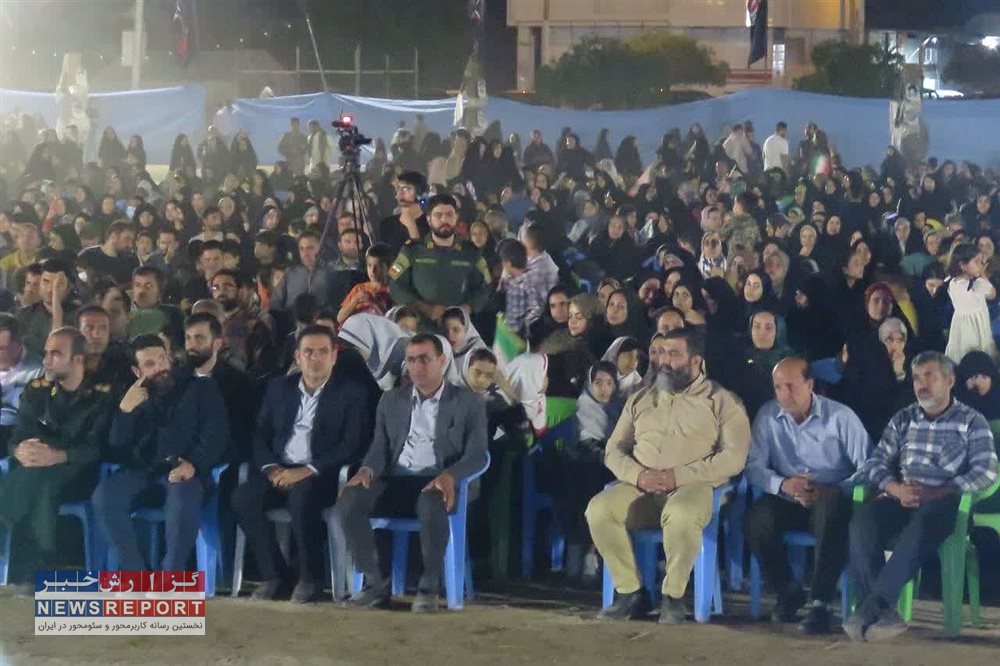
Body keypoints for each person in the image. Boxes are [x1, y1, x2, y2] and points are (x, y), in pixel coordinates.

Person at [586, 327, 750, 623]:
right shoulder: (640, 399)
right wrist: (638, 476)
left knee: (682, 514)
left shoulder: (723, 401)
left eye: (674, 354)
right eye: (661, 353)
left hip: (692, 487)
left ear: (696, 361)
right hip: (641, 487)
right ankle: (631, 592)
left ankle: (672, 597)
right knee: (598, 509)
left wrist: (679, 476)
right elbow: (613, 450)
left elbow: (734, 458)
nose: (664, 361)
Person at [844, 351, 999, 641]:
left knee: (926, 521)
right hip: (902, 497)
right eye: (916, 378)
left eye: (929, 376)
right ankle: (882, 611)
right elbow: (875, 462)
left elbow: (986, 471)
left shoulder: (971, 421)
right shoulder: (903, 419)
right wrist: (894, 488)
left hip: (945, 502)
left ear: (950, 380)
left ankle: (873, 606)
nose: (921, 384)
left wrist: (939, 491)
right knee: (864, 520)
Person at [337, 333, 488, 612]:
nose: (417, 366)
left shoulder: (468, 402)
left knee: (432, 501)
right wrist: (367, 470)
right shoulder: (391, 400)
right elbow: (380, 448)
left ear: (442, 361)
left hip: (439, 479)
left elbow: (478, 454)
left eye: (424, 359)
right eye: (411, 360)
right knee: (350, 500)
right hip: (397, 478)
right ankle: (374, 582)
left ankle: (429, 587)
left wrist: (450, 475)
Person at [232, 325, 376, 603]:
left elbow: (352, 444)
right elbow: (259, 434)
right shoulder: (279, 388)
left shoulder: (351, 392)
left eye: (323, 352)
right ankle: (275, 575)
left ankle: (310, 579)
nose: (315, 358)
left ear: (334, 356)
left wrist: (307, 470)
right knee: (242, 498)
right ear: (297, 357)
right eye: (308, 352)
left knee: (302, 499)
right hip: (279, 469)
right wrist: (270, 468)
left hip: (322, 474)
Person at [744, 358, 870, 634]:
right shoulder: (768, 416)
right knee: (756, 519)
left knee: (831, 513)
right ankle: (787, 591)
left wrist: (835, 488)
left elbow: (869, 468)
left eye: (791, 386)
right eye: (778, 387)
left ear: (810, 385)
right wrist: (784, 485)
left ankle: (820, 604)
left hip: (831, 496)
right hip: (789, 497)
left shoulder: (840, 417)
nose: (784, 394)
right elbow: (754, 467)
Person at [92, 335, 230, 571]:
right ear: (137, 371)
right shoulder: (130, 396)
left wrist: (194, 465)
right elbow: (115, 449)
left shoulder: (200, 388)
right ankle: (136, 573)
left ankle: (171, 575)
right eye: (150, 364)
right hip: (142, 471)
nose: (160, 368)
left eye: (162, 359)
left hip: (185, 470)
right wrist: (125, 412)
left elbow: (217, 435)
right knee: (104, 496)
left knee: (182, 496)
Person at [0, 328, 114, 574]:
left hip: (81, 474)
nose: (46, 360)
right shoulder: (37, 390)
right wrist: (19, 451)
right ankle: (45, 559)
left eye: (56, 354)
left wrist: (58, 456)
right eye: (45, 353)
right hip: (38, 471)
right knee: (42, 479)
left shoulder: (101, 397)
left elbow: (97, 448)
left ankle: (28, 553)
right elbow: (17, 437)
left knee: (40, 476)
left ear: (78, 359)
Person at [388, 194, 492, 329]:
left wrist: (467, 308)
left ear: (456, 217)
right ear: (429, 219)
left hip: (459, 328)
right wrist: (424, 307)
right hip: (420, 328)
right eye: (438, 215)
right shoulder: (412, 250)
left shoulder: (471, 252)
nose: (444, 220)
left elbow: (485, 287)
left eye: (449, 215)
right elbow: (394, 284)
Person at [944, 243, 998, 363]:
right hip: (972, 330)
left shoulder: (952, 282)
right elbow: (992, 293)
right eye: (976, 261)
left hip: (965, 327)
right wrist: (982, 274)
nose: (981, 265)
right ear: (963, 265)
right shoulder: (975, 285)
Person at [271, 230, 335, 311]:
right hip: (290, 316)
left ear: (321, 249)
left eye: (310, 248)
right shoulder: (290, 273)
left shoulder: (331, 273)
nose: (305, 253)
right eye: (301, 249)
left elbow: (336, 304)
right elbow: (275, 301)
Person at [378, 171, 430, 254]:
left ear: (420, 193)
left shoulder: (430, 224)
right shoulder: (386, 225)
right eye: (398, 188)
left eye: (406, 189)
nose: (400, 193)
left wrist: (411, 227)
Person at [77, 220, 138, 285]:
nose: (130, 245)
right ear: (114, 236)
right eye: (127, 239)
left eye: (131, 240)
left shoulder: (131, 260)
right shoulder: (87, 256)